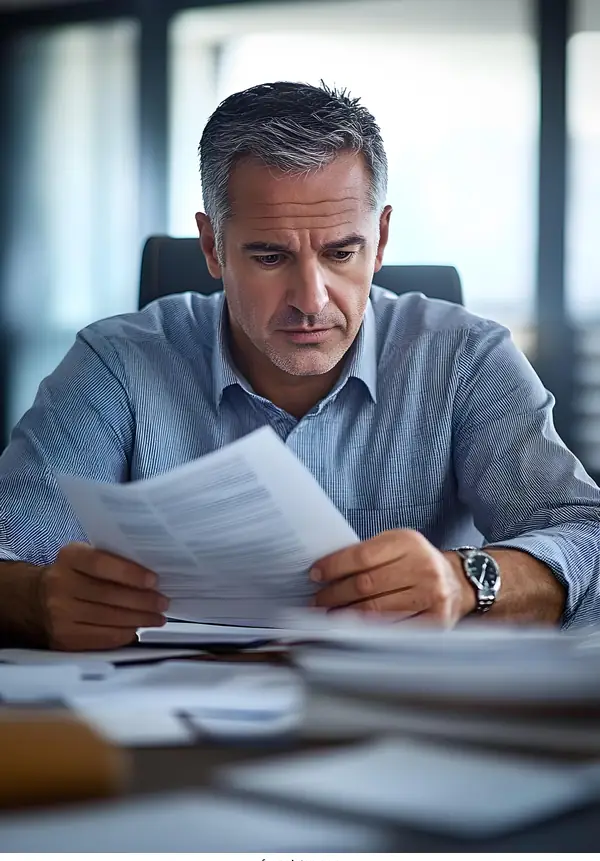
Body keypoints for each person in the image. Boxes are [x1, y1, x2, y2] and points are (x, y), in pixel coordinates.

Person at [0, 81, 599, 651]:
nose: (311, 300)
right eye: (269, 256)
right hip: (170, 720)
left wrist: (469, 582)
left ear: (382, 239)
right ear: (212, 247)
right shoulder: (117, 364)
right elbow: (11, 547)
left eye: (342, 252)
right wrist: (37, 599)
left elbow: (588, 541)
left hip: (407, 714)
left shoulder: (466, 358)